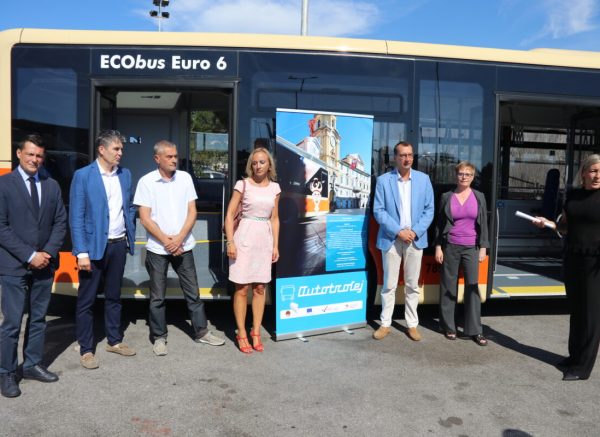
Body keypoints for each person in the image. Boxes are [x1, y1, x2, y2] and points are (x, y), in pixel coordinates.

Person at [134, 140, 224, 356]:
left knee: (193, 292)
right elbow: (145, 218)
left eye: (176, 156)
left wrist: (180, 238)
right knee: (157, 297)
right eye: (170, 157)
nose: (175, 160)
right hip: (158, 249)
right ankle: (159, 337)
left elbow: (192, 211)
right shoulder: (146, 182)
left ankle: (202, 332)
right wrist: (167, 241)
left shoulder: (185, 178)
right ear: (157, 159)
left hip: (183, 246)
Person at [0, 134, 67, 398]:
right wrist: (30, 255)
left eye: (39, 155)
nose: (35, 159)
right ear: (19, 154)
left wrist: (47, 253)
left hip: (45, 265)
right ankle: (6, 372)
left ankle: (31, 365)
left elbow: (60, 222)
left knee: (38, 319)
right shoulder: (4, 184)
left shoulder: (51, 185)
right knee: (12, 322)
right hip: (14, 265)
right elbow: (1, 227)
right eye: (30, 154)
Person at [69, 130, 137, 369]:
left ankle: (114, 341)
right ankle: (86, 349)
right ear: (101, 149)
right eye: (116, 149)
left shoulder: (125, 174)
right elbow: (76, 216)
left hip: (118, 245)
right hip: (92, 248)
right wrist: (81, 252)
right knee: (86, 300)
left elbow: (129, 206)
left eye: (121, 149)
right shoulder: (83, 176)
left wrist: (129, 230)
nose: (120, 153)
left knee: (114, 296)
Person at [534, 154, 600, 381]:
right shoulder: (573, 195)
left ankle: (582, 368)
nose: (597, 175)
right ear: (584, 173)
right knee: (577, 311)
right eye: (593, 170)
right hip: (573, 257)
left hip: (595, 263)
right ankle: (574, 357)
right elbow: (564, 227)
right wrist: (547, 223)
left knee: (591, 316)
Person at [373, 141, 434, 341]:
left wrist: (414, 231)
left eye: (410, 155)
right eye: (403, 155)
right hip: (392, 238)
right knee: (389, 285)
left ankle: (412, 325)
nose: (407, 159)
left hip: (415, 239)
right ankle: (385, 324)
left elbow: (429, 210)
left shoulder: (424, 180)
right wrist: (399, 231)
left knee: (412, 285)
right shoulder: (383, 181)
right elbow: (378, 211)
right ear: (395, 158)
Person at [225, 147, 280, 354]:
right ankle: (241, 332)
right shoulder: (243, 184)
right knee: (241, 288)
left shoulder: (275, 188)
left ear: (269, 165)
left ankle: (255, 331)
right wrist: (230, 242)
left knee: (260, 288)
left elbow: (275, 218)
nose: (258, 166)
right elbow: (230, 214)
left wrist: (275, 245)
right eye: (254, 163)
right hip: (244, 238)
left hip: (264, 241)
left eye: (262, 162)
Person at [434, 161, 489, 346]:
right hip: (450, 246)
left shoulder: (479, 196)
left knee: (472, 288)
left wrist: (483, 247)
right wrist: (438, 246)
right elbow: (439, 224)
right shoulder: (446, 196)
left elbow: (484, 223)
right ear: (456, 175)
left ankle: (475, 330)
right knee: (448, 287)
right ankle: (448, 327)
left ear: (473, 177)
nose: (464, 177)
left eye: (468, 174)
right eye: (461, 174)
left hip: (472, 247)